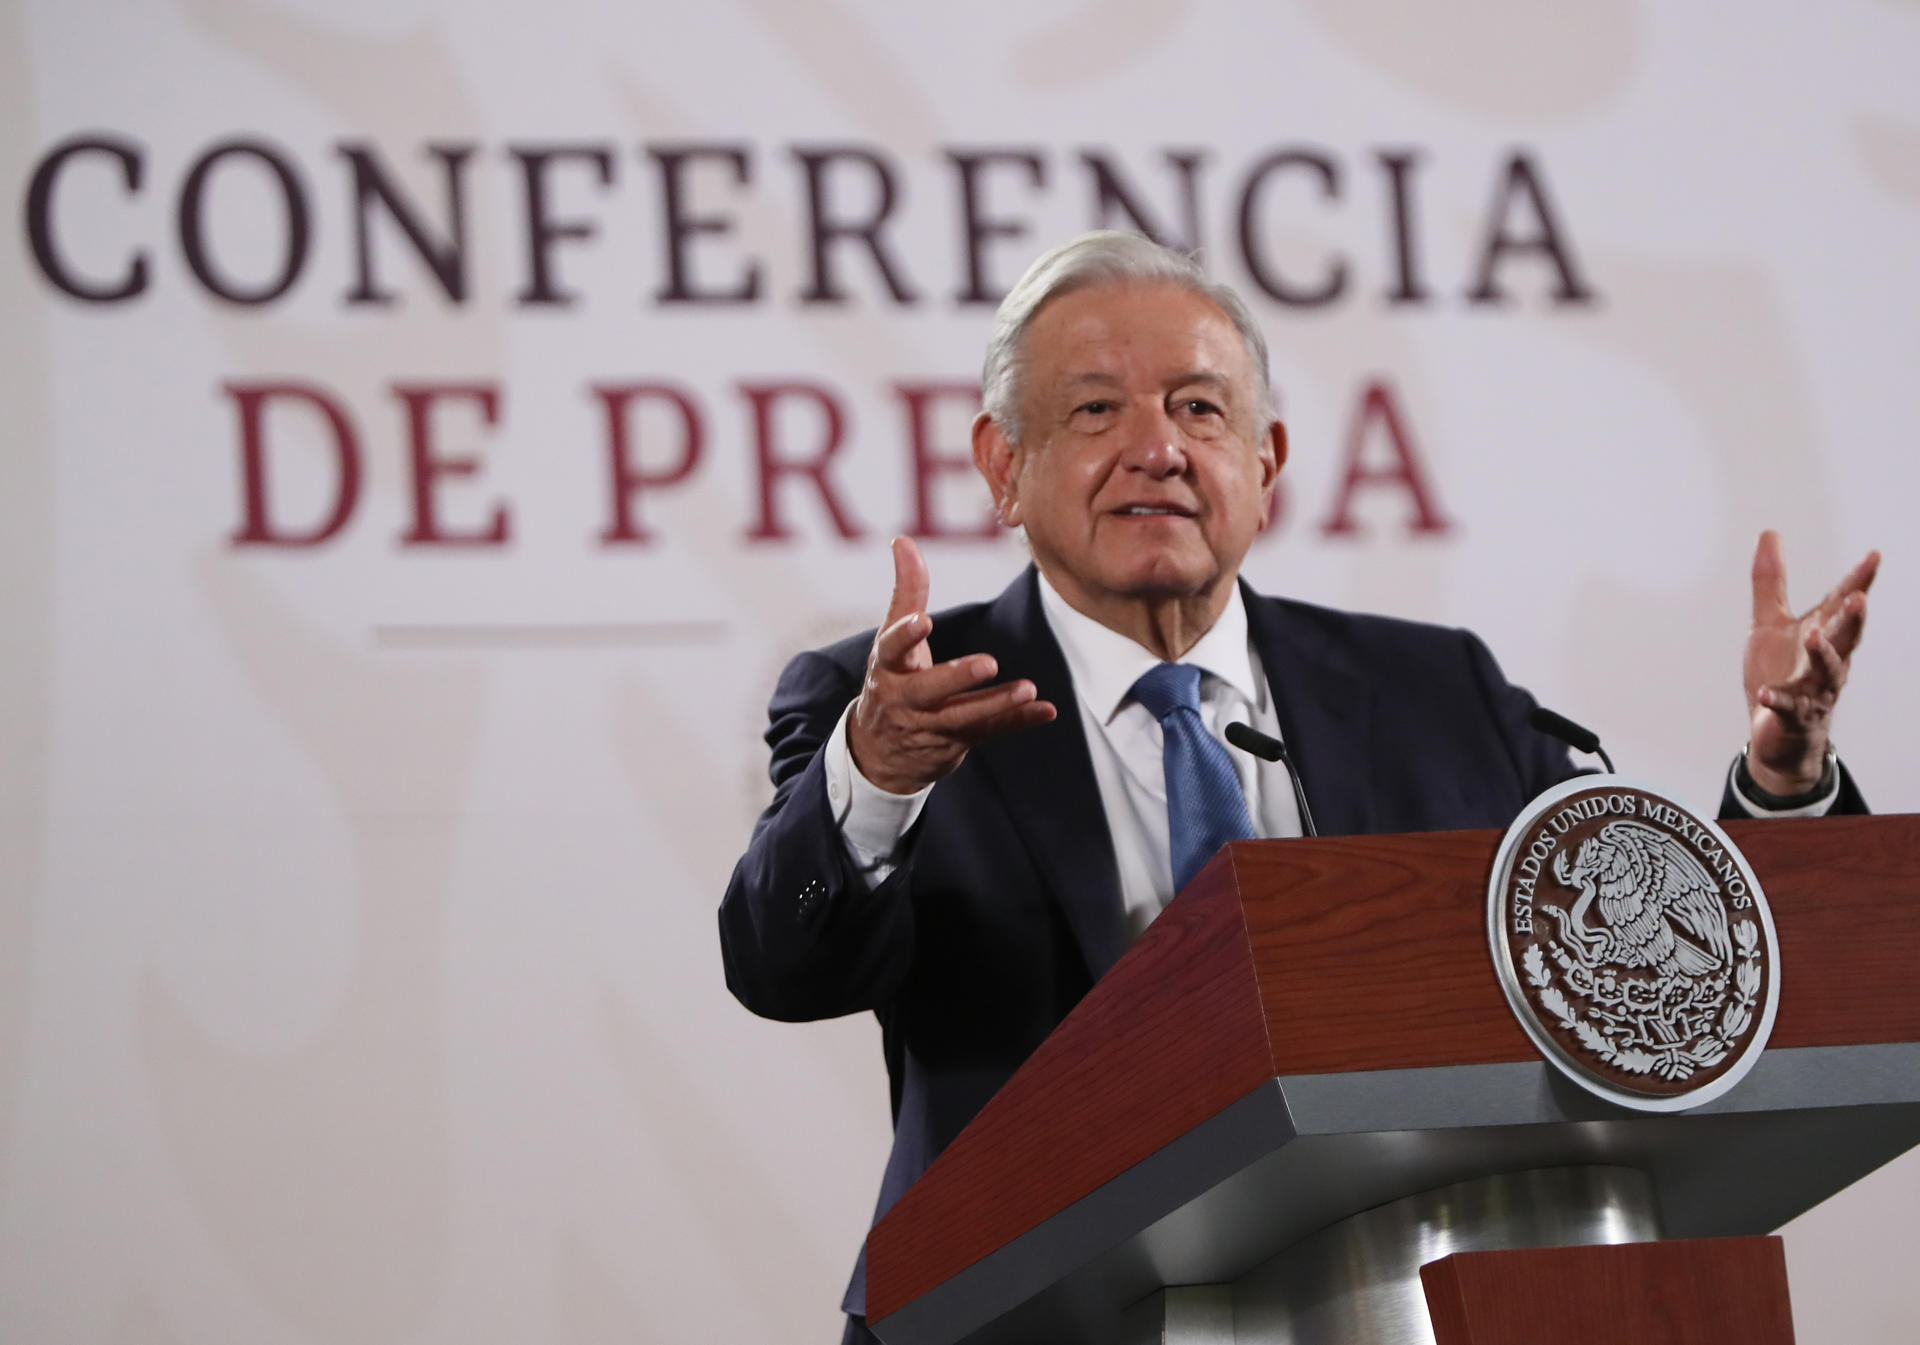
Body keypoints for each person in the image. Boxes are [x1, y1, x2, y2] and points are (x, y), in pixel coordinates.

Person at [716, 232, 1877, 1344]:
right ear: (1003, 466)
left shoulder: (1434, 686)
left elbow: (1642, 965)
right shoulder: (907, 702)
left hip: (1429, 1298)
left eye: (1199, 407)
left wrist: (1783, 785)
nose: (1157, 447)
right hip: (1034, 1318)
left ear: (1264, 464)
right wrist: (872, 777)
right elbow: (783, 964)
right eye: (1094, 410)